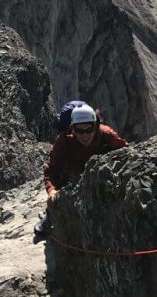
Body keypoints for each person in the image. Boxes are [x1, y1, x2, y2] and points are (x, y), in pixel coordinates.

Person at [35, 102, 128, 241]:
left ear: (96, 127)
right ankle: (51, 215)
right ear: (73, 129)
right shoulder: (64, 141)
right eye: (80, 130)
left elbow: (126, 151)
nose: (85, 135)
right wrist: (51, 191)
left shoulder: (107, 135)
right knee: (58, 186)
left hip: (101, 173)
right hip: (73, 173)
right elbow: (51, 171)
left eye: (89, 129)